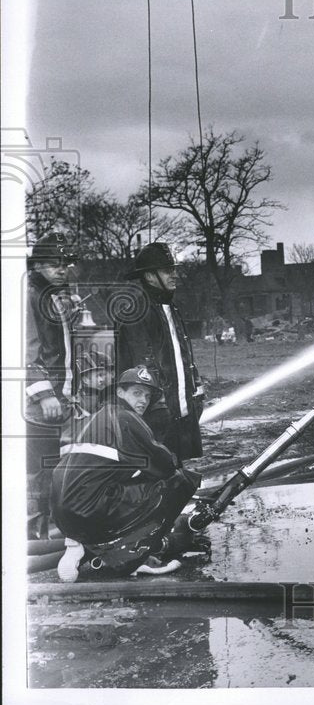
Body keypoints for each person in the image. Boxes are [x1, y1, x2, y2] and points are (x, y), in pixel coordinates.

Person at [51, 367, 202, 582]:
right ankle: (134, 558)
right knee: (179, 482)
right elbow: (166, 464)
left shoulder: (93, 419)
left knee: (121, 481)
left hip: (62, 515)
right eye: (137, 393)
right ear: (120, 393)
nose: (144, 401)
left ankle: (80, 545)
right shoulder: (126, 418)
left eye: (148, 396)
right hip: (88, 511)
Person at [116, 242, 205, 462]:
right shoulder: (137, 309)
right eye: (167, 271)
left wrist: (196, 387)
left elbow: (180, 354)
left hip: (180, 409)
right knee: (158, 472)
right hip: (157, 413)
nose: (174, 275)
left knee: (178, 469)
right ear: (149, 275)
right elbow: (142, 367)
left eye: (174, 269)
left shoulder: (170, 307)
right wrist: (159, 406)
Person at [25, 231, 79, 539]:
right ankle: (35, 536)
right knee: (39, 468)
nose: (62, 269)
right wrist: (44, 394)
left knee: (58, 464)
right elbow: (25, 348)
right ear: (37, 266)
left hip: (61, 396)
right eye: (53, 264)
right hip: (39, 401)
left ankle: (54, 533)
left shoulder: (55, 298)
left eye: (65, 263)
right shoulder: (29, 295)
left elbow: (65, 351)